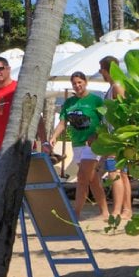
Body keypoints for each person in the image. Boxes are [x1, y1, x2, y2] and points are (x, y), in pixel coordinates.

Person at [59, 71, 110, 221]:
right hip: (77, 144)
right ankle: (105, 211)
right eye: (74, 83)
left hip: (92, 144)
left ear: (85, 82)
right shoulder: (69, 102)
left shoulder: (95, 100)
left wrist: (97, 136)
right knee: (92, 179)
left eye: (79, 82)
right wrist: (53, 137)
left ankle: (75, 213)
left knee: (81, 177)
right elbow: (63, 122)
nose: (77, 85)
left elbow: (106, 121)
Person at [100, 56, 135, 226]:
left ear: (107, 70)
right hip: (115, 136)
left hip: (117, 137)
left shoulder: (117, 86)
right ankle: (126, 209)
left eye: (101, 69)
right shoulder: (112, 87)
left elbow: (125, 112)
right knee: (122, 174)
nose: (100, 73)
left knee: (115, 173)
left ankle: (118, 210)